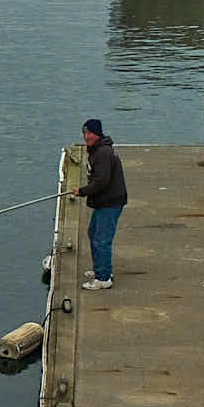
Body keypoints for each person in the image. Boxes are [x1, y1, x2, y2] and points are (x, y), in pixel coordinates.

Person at [71, 118, 128, 290]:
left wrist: (82, 191)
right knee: (93, 233)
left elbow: (102, 181)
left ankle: (103, 279)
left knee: (101, 240)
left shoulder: (103, 153)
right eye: (84, 133)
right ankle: (101, 269)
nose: (86, 136)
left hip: (110, 202)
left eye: (89, 133)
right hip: (103, 202)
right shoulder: (95, 149)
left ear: (97, 134)